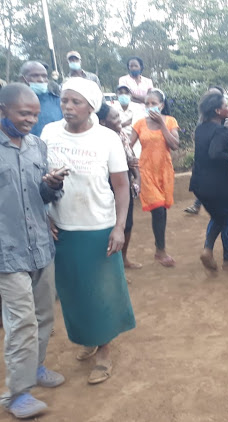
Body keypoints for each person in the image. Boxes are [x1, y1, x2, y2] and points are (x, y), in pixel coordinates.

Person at [41, 78, 135, 386]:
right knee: (72, 290)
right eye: (65, 100)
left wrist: (119, 227)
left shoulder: (106, 138)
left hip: (98, 225)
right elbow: (37, 180)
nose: (68, 106)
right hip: (62, 226)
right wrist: (45, 216)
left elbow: (121, 187)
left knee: (102, 290)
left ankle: (104, 351)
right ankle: (88, 338)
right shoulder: (49, 133)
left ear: (91, 106)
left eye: (76, 102)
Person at [0, 83, 66, 419]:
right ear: (3, 111)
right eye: (24, 113)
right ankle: (18, 393)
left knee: (44, 316)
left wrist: (52, 185)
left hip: (40, 244)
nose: (30, 120)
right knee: (21, 322)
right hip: (6, 252)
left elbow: (40, 196)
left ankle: (35, 367)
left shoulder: (37, 146)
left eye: (35, 114)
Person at [188, 90, 228, 272]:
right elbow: (215, 153)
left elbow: (214, 147)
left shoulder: (201, 128)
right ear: (218, 111)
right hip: (218, 184)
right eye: (226, 106)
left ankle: (208, 250)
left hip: (199, 184)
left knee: (218, 217)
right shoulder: (220, 130)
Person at [130, 89, 180, 267]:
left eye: (154, 103)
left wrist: (162, 124)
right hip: (146, 171)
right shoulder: (139, 123)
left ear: (162, 105)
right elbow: (129, 145)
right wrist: (130, 163)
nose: (150, 107)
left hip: (164, 171)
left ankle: (160, 248)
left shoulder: (170, 121)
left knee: (162, 210)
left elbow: (174, 145)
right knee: (158, 208)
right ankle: (161, 251)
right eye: (147, 104)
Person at [96, 103, 142, 270]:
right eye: (114, 117)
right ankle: (112, 266)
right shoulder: (97, 139)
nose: (119, 120)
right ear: (102, 122)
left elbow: (131, 158)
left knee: (127, 223)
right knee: (109, 225)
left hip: (124, 183)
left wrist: (137, 178)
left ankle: (123, 260)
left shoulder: (121, 134)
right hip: (106, 184)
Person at [19, 61, 62, 137]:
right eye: (35, 76)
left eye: (44, 76)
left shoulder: (58, 101)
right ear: (23, 79)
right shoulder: (13, 102)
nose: (41, 80)